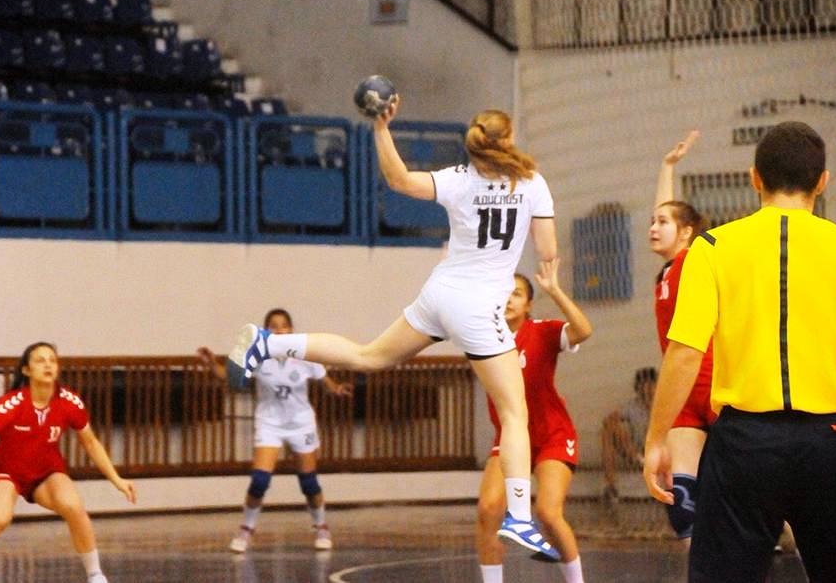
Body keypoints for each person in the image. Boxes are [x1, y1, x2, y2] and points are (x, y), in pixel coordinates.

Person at [227, 99, 561, 558]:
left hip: (441, 293)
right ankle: (520, 517)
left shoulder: (458, 178)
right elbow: (547, 250)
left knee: (369, 356)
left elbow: (399, 180)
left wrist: (382, 127)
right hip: (479, 307)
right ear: (509, 140)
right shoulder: (532, 183)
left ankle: (268, 343)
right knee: (514, 413)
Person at [643, 121, 836, 582]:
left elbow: (684, 352)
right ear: (823, 181)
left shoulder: (712, 248)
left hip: (742, 445)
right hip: (828, 443)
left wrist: (656, 441)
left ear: (755, 178)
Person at [0, 342, 137, 583]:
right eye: (40, 360)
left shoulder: (69, 401)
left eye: (52, 360)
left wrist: (117, 479)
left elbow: (90, 442)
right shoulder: (11, 404)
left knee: (74, 507)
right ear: (26, 370)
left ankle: (95, 575)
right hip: (7, 472)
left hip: (46, 473)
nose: (48, 365)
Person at [196, 308, 352, 552]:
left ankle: (321, 526)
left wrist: (338, 389)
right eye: (273, 326)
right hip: (270, 423)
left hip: (300, 423)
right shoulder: (258, 357)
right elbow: (228, 375)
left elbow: (326, 381)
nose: (279, 330)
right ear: (266, 331)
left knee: (309, 483)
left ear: (291, 330)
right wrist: (212, 363)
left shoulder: (305, 356)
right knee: (260, 480)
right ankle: (247, 529)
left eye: (284, 326)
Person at [476, 265, 592, 583]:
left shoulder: (542, 331)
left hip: (552, 435)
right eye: (504, 293)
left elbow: (583, 330)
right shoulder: (485, 337)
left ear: (529, 304)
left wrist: (554, 290)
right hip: (509, 438)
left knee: (548, 514)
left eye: (516, 294)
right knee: (488, 510)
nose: (508, 299)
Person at [649, 131, 716, 541]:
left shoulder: (693, 260)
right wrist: (667, 167)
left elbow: (676, 220)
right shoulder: (668, 270)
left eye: (662, 223)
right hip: (682, 395)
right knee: (682, 507)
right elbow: (669, 212)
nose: (653, 228)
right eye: (652, 222)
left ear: (687, 232)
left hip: (713, 385)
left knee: (755, 497)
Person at [600, 366, 656, 506]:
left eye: (651, 385)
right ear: (638, 388)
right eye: (644, 385)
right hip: (637, 453)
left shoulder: (665, 404)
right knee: (607, 431)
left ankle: (642, 460)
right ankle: (611, 486)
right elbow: (608, 420)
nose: (648, 389)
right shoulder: (633, 406)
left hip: (659, 453)